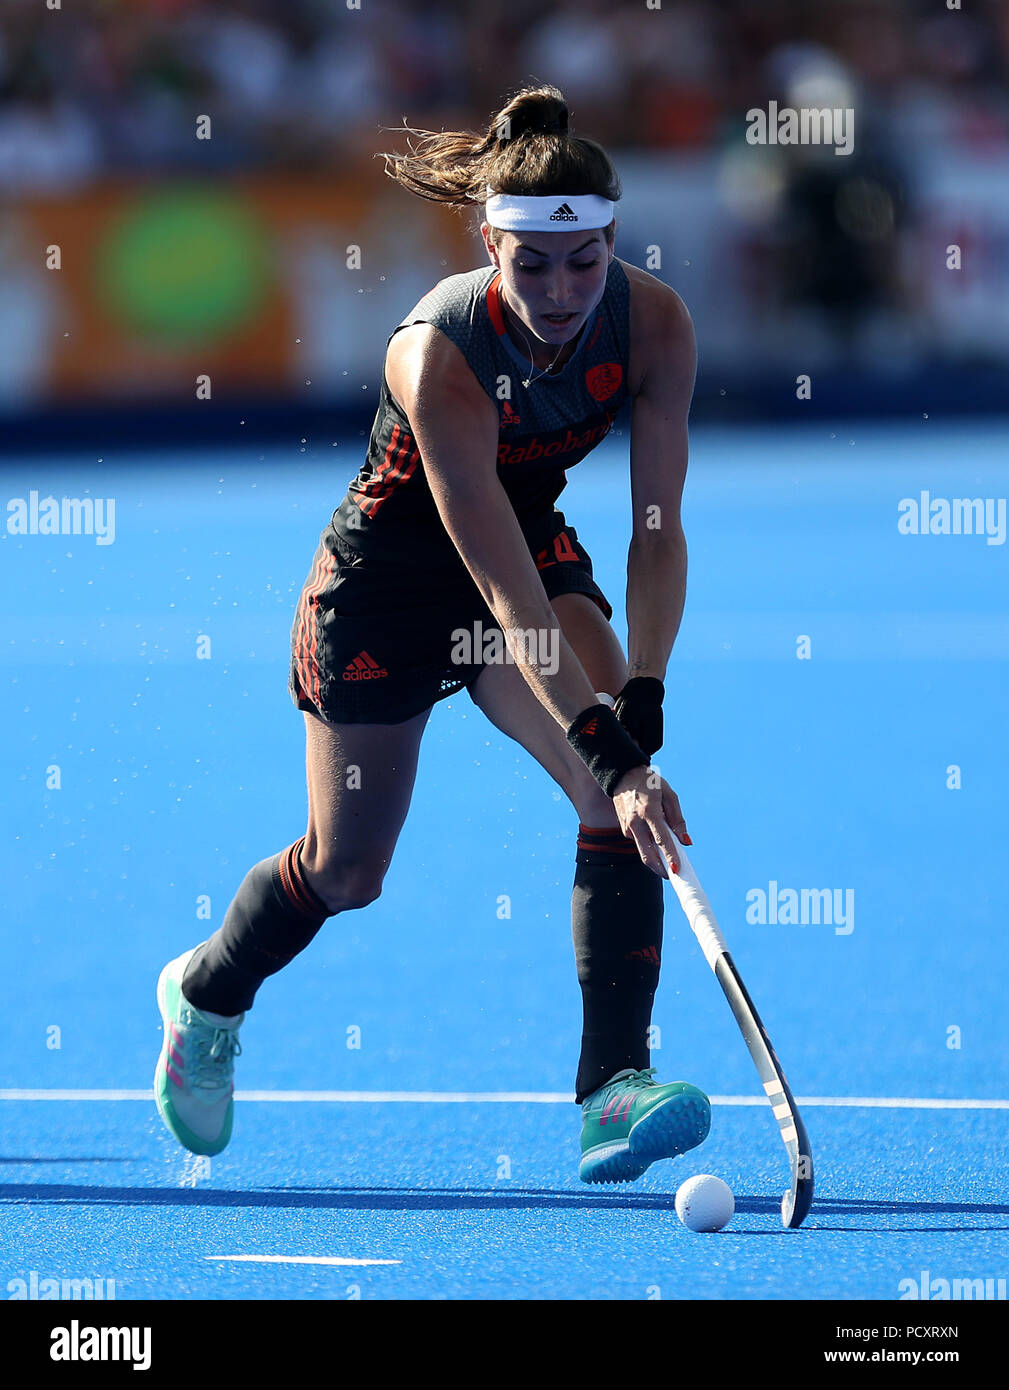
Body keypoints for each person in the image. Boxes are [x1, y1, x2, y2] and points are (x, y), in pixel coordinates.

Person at [154, 84, 710, 1185]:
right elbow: (499, 592)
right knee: (349, 867)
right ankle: (207, 993)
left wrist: (638, 703)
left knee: (614, 784)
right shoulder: (440, 352)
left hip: (528, 541)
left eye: (583, 263)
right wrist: (605, 736)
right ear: (489, 245)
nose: (559, 292)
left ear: (612, 246)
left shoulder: (654, 323)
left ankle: (611, 1087)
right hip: (396, 581)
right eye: (531, 264)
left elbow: (656, 532)